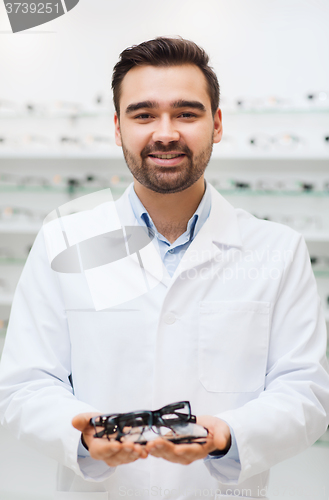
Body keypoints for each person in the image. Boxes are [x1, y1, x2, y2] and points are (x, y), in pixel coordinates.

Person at [0, 37, 328, 500]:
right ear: (118, 127)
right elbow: (27, 382)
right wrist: (82, 438)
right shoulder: (64, 242)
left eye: (186, 113)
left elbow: (304, 390)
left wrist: (227, 437)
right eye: (143, 114)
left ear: (216, 124)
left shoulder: (278, 249)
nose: (166, 132)